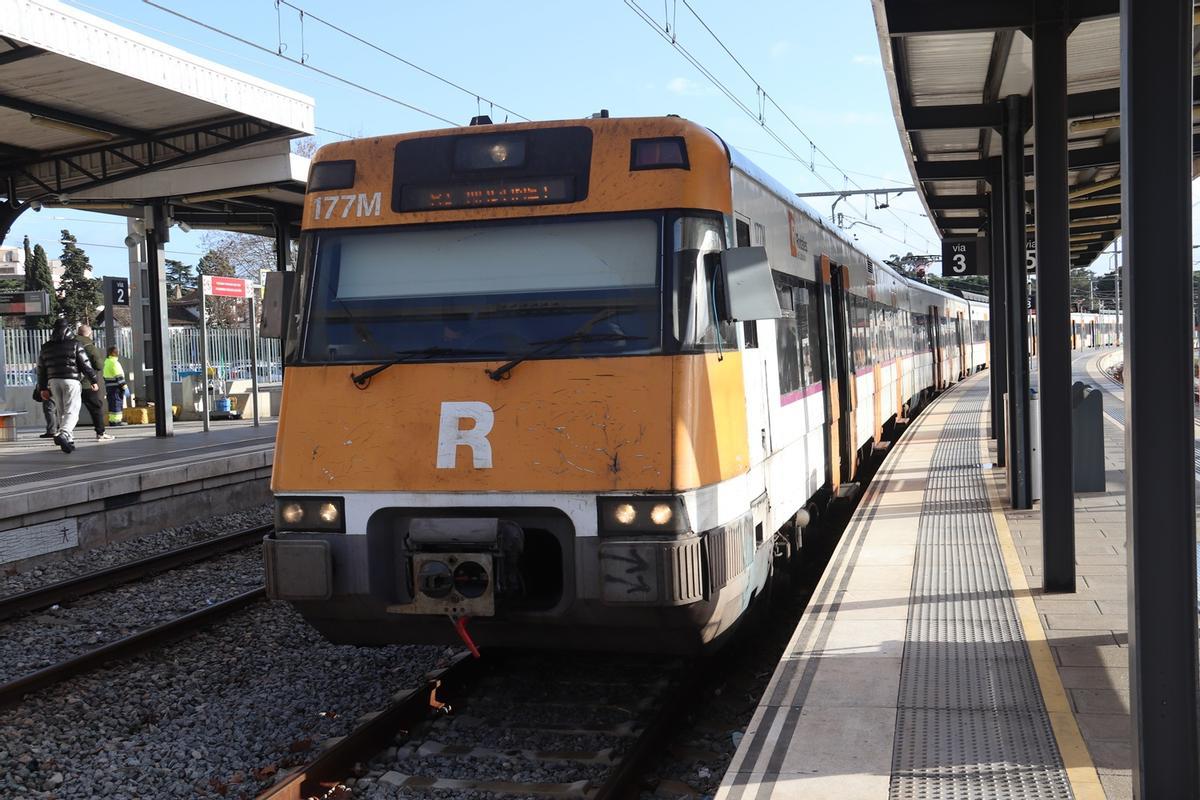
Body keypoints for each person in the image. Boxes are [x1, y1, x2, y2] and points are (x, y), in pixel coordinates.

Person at [36, 319, 99, 454]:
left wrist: (42, 388)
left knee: (61, 410)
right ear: (68, 330)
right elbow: (85, 363)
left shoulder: (46, 347)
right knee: (72, 410)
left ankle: (69, 440)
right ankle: (63, 433)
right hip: (71, 380)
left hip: (53, 381)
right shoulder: (75, 344)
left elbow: (41, 369)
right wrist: (93, 380)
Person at [74, 324, 113, 441]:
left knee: (68, 408)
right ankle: (100, 433)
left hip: (70, 381)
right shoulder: (89, 345)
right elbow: (99, 365)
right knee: (96, 407)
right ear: (89, 333)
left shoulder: (70, 343)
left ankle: (65, 433)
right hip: (86, 383)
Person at [103, 346, 127, 426]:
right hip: (116, 387)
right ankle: (116, 421)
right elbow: (119, 376)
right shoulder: (114, 363)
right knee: (117, 403)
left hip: (109, 386)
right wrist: (124, 387)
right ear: (115, 353)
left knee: (112, 403)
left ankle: (112, 420)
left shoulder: (107, 362)